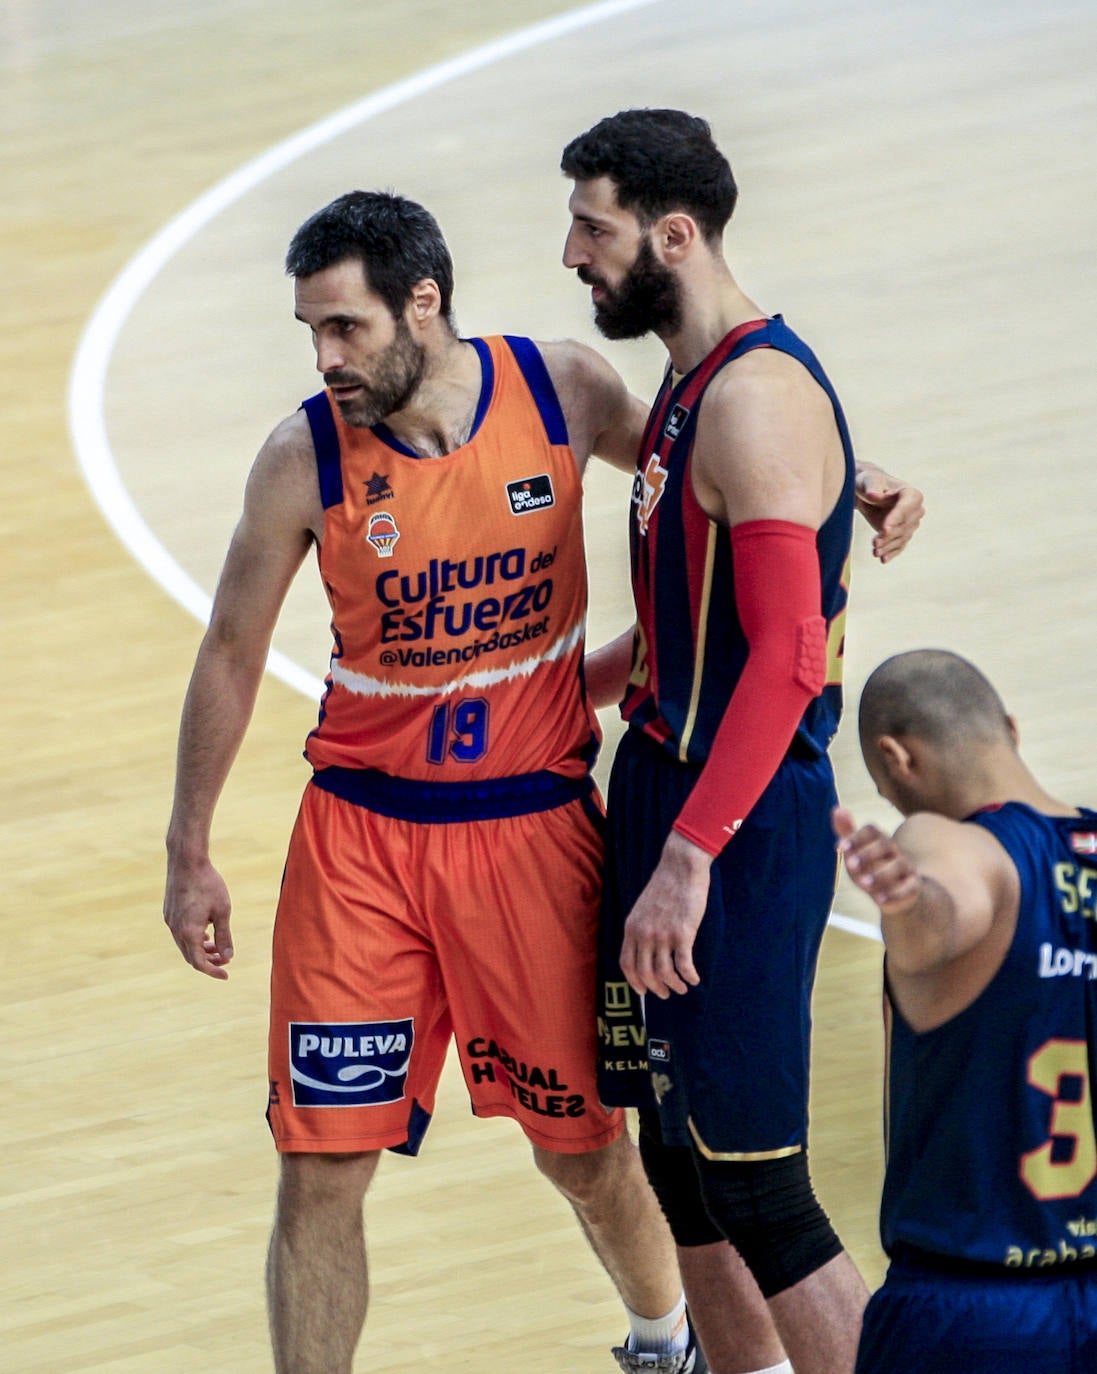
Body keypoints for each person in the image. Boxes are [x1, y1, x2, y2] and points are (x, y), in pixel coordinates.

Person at [162, 187, 918, 1373]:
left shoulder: (560, 388)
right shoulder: (299, 457)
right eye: (309, 331)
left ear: (423, 302)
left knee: (582, 1149)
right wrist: (188, 847)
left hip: (533, 830)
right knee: (320, 1164)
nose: (324, 358)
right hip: (360, 842)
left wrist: (841, 472)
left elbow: (705, 453)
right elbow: (228, 648)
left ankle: (662, 1340)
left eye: (345, 327)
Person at [560, 108, 886, 1374]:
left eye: (592, 229)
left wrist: (690, 858)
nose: (573, 255)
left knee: (758, 1183)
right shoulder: (693, 386)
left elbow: (787, 660)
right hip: (662, 790)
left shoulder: (752, 400)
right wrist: (532, 693)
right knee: (679, 1167)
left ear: (673, 236)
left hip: (733, 828)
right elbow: (683, 629)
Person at [835, 648, 1097, 1373]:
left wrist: (909, 901)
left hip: (970, 1312)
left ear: (896, 759)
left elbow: (947, 914)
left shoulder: (944, 839)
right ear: (1009, 728)